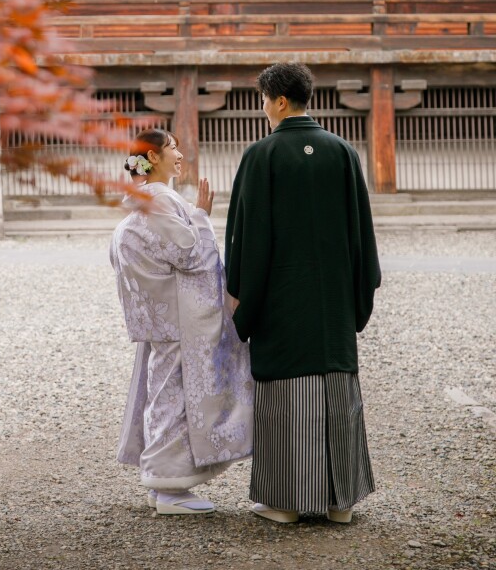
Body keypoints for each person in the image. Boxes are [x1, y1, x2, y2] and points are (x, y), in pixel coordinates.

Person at [225, 62, 381, 526]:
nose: (263, 107)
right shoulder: (343, 151)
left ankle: (287, 502)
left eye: (263, 99)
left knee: (287, 393)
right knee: (336, 389)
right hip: (333, 303)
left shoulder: (262, 155)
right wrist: (357, 294)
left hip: (281, 301)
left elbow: (247, 237)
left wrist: (241, 299)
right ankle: (340, 502)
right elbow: (362, 234)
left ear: (278, 101)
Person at [110, 127, 253, 516]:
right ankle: (169, 489)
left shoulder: (144, 201)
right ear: (153, 157)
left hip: (164, 319)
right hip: (179, 321)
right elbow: (190, 255)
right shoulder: (159, 200)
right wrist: (201, 215)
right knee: (175, 400)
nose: (180, 154)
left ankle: (162, 484)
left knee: (165, 396)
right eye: (173, 147)